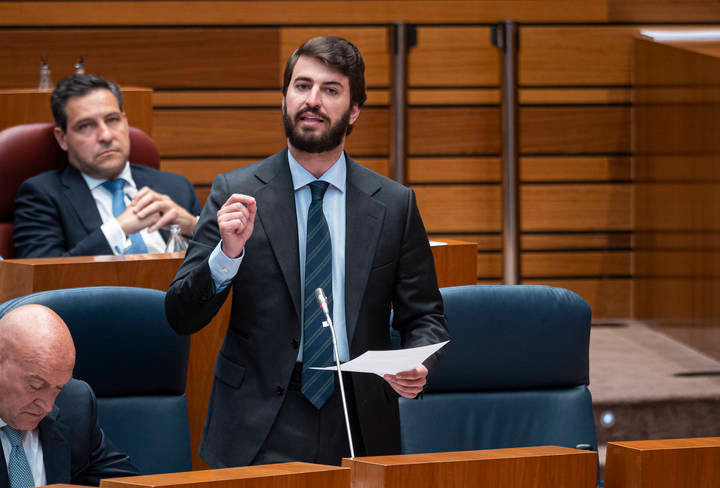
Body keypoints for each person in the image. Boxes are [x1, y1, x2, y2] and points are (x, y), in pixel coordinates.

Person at [165, 36, 449, 467]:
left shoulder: (393, 205)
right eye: (301, 86)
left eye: (330, 90)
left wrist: (419, 365)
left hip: (358, 415)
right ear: (284, 99)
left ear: (354, 110)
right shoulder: (234, 193)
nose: (312, 100)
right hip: (258, 420)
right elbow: (181, 314)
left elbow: (424, 314)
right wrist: (226, 256)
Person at [13, 74, 202, 258]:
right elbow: (42, 279)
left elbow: (219, 268)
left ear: (125, 122)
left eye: (112, 120)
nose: (106, 136)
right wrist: (118, 230)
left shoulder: (177, 187)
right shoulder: (41, 196)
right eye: (86, 126)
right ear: (62, 138)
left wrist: (194, 227)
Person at [0, 304, 138, 487]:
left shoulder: (74, 405)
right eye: (35, 386)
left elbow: (126, 483)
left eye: (58, 388)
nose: (48, 407)